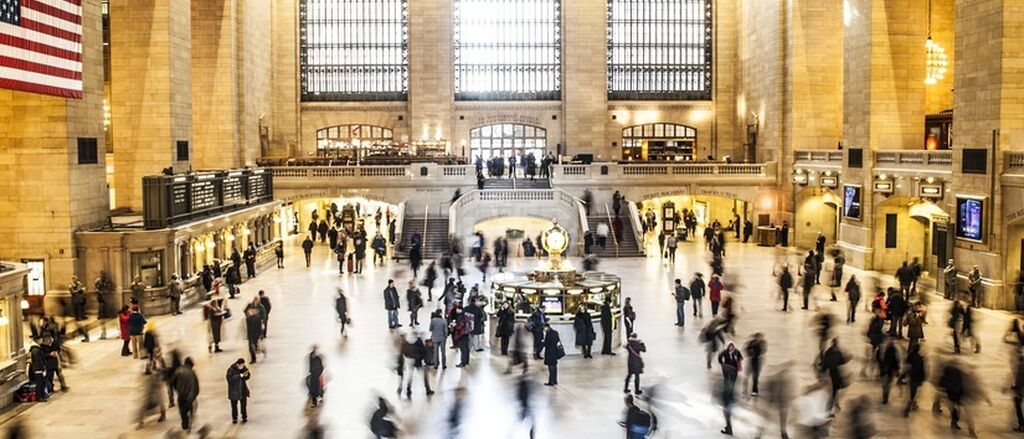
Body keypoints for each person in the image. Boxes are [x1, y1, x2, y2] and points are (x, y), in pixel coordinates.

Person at [718, 342, 743, 435]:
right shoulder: (725, 352)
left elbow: (740, 358)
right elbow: (720, 357)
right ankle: (728, 427)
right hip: (727, 369)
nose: (731, 348)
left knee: (732, 382)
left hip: (734, 370)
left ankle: (729, 428)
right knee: (727, 381)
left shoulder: (737, 352)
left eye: (732, 346)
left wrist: (738, 362)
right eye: (730, 346)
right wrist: (722, 364)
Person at [820, 339, 849, 414]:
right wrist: (822, 373)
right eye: (835, 345)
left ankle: (834, 405)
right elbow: (825, 363)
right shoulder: (829, 353)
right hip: (831, 375)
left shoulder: (838, 352)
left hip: (837, 374)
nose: (836, 347)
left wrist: (847, 357)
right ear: (833, 345)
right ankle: (829, 410)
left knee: (836, 391)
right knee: (832, 393)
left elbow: (842, 361)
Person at [171, 357, 199, 432]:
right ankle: (189, 424)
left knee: (182, 411)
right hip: (190, 395)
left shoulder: (178, 370)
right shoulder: (192, 372)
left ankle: (185, 424)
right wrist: (195, 394)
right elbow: (196, 385)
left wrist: (177, 389)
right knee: (190, 410)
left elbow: (172, 382)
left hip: (181, 395)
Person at [902, 342, 926, 417]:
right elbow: (922, 370)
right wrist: (922, 379)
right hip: (915, 378)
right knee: (913, 394)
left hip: (910, 377)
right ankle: (908, 408)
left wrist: (903, 376)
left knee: (909, 394)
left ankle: (912, 405)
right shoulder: (920, 359)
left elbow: (906, 366)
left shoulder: (910, 356)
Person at [226, 358, 251, 424]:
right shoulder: (231, 369)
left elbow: (248, 375)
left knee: (243, 405)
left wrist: (247, 375)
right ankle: (234, 418)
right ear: (238, 364)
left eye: (243, 365)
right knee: (234, 406)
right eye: (241, 365)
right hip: (234, 391)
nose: (243, 366)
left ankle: (244, 417)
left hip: (243, 389)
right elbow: (230, 379)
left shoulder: (244, 368)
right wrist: (239, 376)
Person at [879, 337, 900, 404]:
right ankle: (885, 398)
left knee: (886, 385)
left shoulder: (892, 349)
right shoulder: (882, 348)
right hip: (887, 369)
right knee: (886, 385)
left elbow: (895, 360)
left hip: (889, 369)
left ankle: (885, 398)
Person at [244, 298, 265, 363]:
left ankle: (257, 348)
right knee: (250, 345)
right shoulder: (249, 306)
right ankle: (253, 358)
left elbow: (263, 316)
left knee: (255, 341)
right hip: (250, 331)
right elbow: (245, 311)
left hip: (256, 330)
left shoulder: (260, 307)